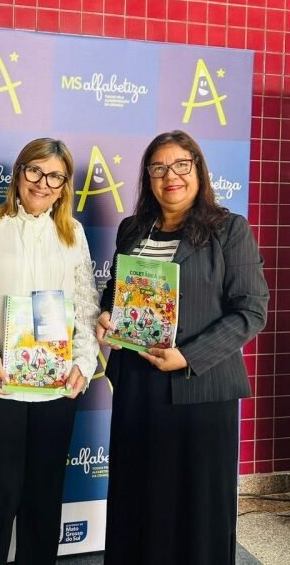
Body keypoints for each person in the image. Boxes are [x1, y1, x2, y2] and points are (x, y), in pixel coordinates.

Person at [96, 130, 269, 565]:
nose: (170, 176)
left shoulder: (229, 229)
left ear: (198, 169)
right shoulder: (132, 229)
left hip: (200, 386)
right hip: (138, 385)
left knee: (197, 508)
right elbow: (116, 291)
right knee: (138, 498)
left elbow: (251, 310)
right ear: (148, 178)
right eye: (158, 168)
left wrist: (188, 356)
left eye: (180, 165)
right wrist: (105, 313)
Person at [0, 137, 100, 565]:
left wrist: (84, 362)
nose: (42, 183)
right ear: (19, 172)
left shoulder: (73, 234)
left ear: (65, 186)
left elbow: (87, 305)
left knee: (45, 492)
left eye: (55, 176)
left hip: (58, 384)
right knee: (1, 488)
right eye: (35, 170)